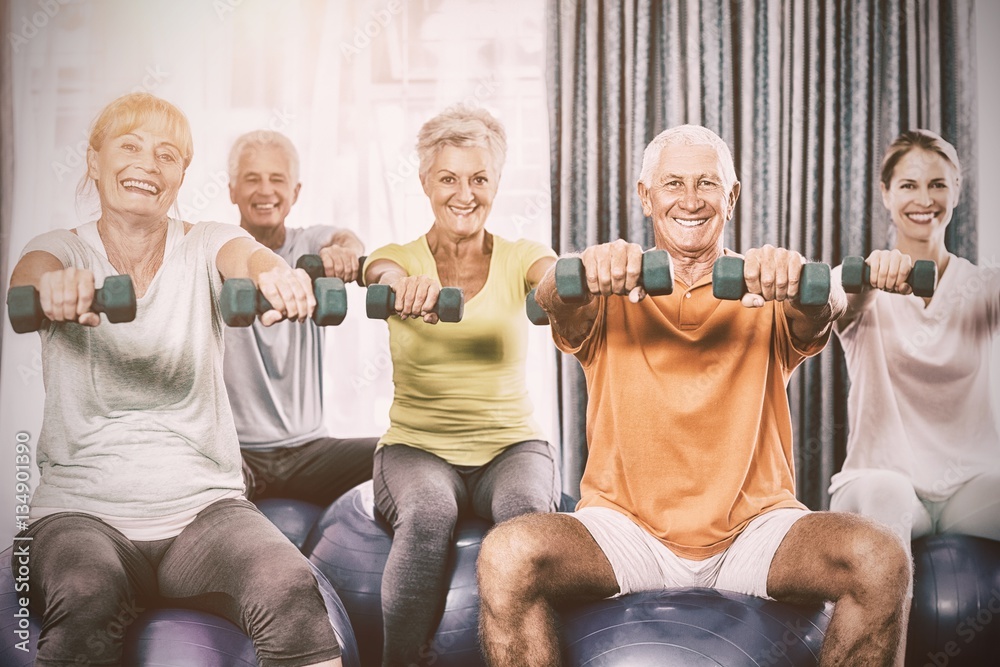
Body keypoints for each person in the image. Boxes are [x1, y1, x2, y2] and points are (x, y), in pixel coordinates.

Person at [476, 125, 912, 667]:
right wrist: (579, 271)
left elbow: (826, 311)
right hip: (625, 531)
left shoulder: (766, 289)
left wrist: (801, 281)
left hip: (753, 530)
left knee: (880, 557)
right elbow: (549, 303)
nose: (689, 199)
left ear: (730, 197)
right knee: (506, 553)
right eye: (673, 183)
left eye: (707, 183)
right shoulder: (609, 290)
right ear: (645, 196)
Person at [8, 92, 342, 667]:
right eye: (130, 146)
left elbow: (245, 256)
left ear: (182, 174)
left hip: (203, 509)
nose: (147, 164)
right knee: (87, 596)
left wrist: (275, 275)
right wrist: (50, 290)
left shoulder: (205, 241)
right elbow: (30, 275)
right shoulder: (61, 248)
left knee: (290, 587)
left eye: (167, 155)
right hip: (81, 511)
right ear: (94, 161)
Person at [362, 104, 561, 666]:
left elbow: (549, 275)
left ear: (496, 182)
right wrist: (403, 285)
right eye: (448, 178)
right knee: (428, 514)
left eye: (479, 178)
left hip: (510, 445)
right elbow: (379, 273)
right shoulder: (396, 258)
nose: (464, 193)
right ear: (425, 181)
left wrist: (567, 286)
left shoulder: (523, 254)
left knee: (525, 517)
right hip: (417, 448)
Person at [829, 129, 1000, 549]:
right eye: (908, 185)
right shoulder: (855, 279)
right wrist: (869, 279)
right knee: (888, 494)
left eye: (937, 184)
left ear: (956, 191)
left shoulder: (983, 288)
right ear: (886, 193)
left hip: (966, 487)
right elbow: (838, 304)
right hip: (878, 479)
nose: (924, 200)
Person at [225, 130, 377, 505]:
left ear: (295, 192)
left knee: (403, 453)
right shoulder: (217, 251)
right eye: (252, 178)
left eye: (277, 179)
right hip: (235, 456)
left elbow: (347, 238)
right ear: (231, 191)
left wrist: (344, 252)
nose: (265, 191)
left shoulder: (309, 245)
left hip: (311, 452)